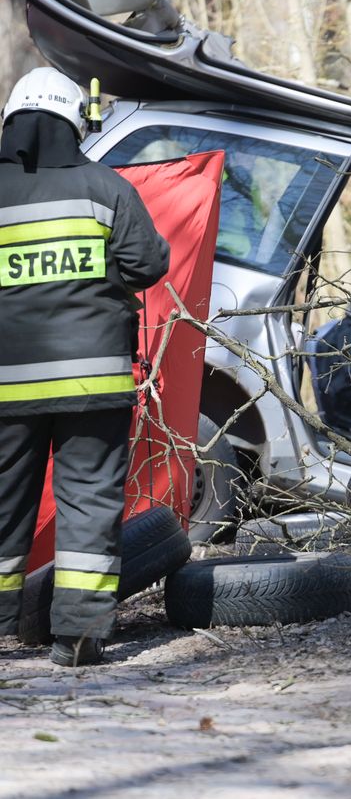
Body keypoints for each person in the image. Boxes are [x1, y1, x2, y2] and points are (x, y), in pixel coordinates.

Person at [0, 67, 169, 666]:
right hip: (92, 381)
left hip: (4, 387)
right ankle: (77, 636)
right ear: (75, 122)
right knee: (89, 502)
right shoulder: (106, 187)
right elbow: (148, 265)